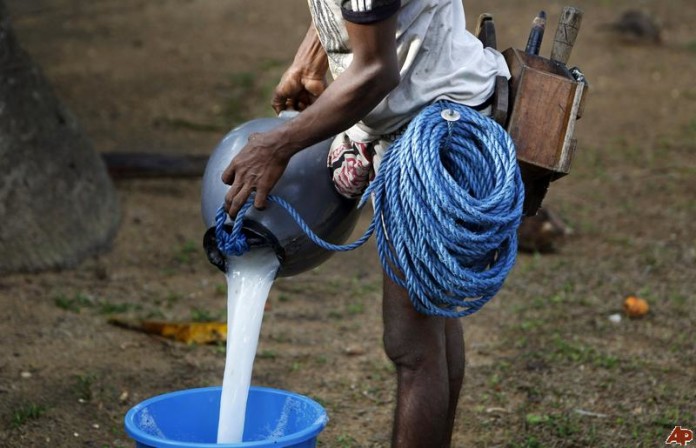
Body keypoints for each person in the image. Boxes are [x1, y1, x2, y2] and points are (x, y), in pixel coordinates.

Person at [222, 1, 510, 446]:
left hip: (436, 131)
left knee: (411, 346)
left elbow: (376, 70)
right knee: (430, 324)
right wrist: (309, 59)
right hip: (417, 111)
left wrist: (277, 146)